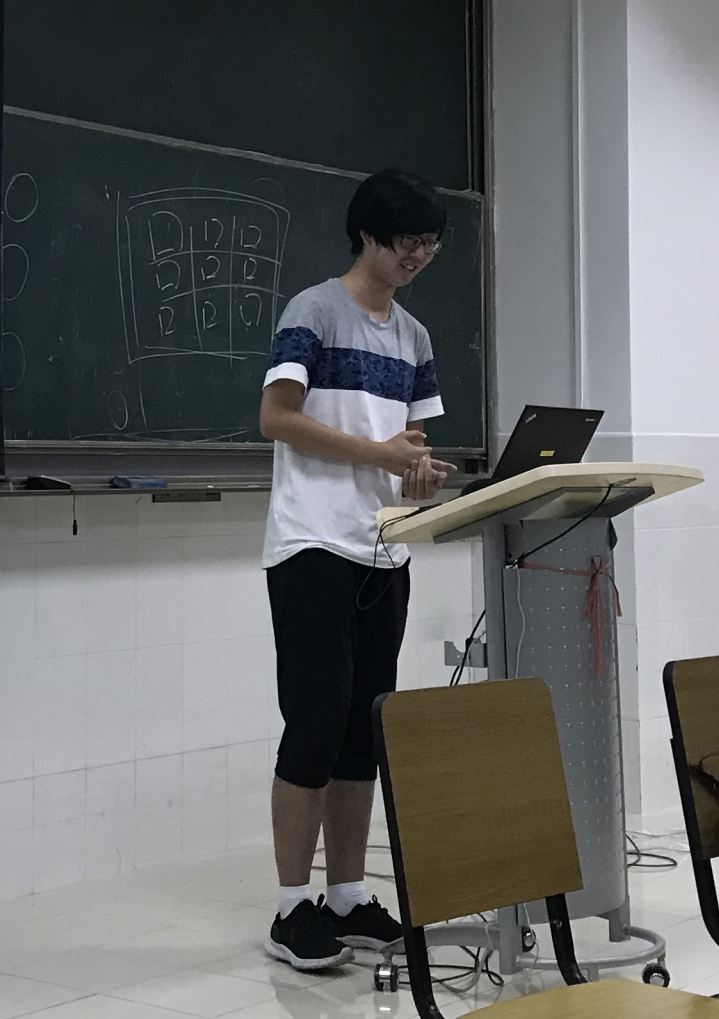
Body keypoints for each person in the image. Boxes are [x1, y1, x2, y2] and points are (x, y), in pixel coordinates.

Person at [256, 169, 457, 971]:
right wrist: (378, 453)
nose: (420, 255)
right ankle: (289, 908)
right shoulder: (312, 311)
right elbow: (276, 417)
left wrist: (417, 473)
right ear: (368, 233)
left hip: (384, 547)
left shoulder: (415, 336)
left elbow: (409, 445)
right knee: (313, 723)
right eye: (409, 241)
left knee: (362, 732)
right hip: (312, 544)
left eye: (431, 244)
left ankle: (346, 893)